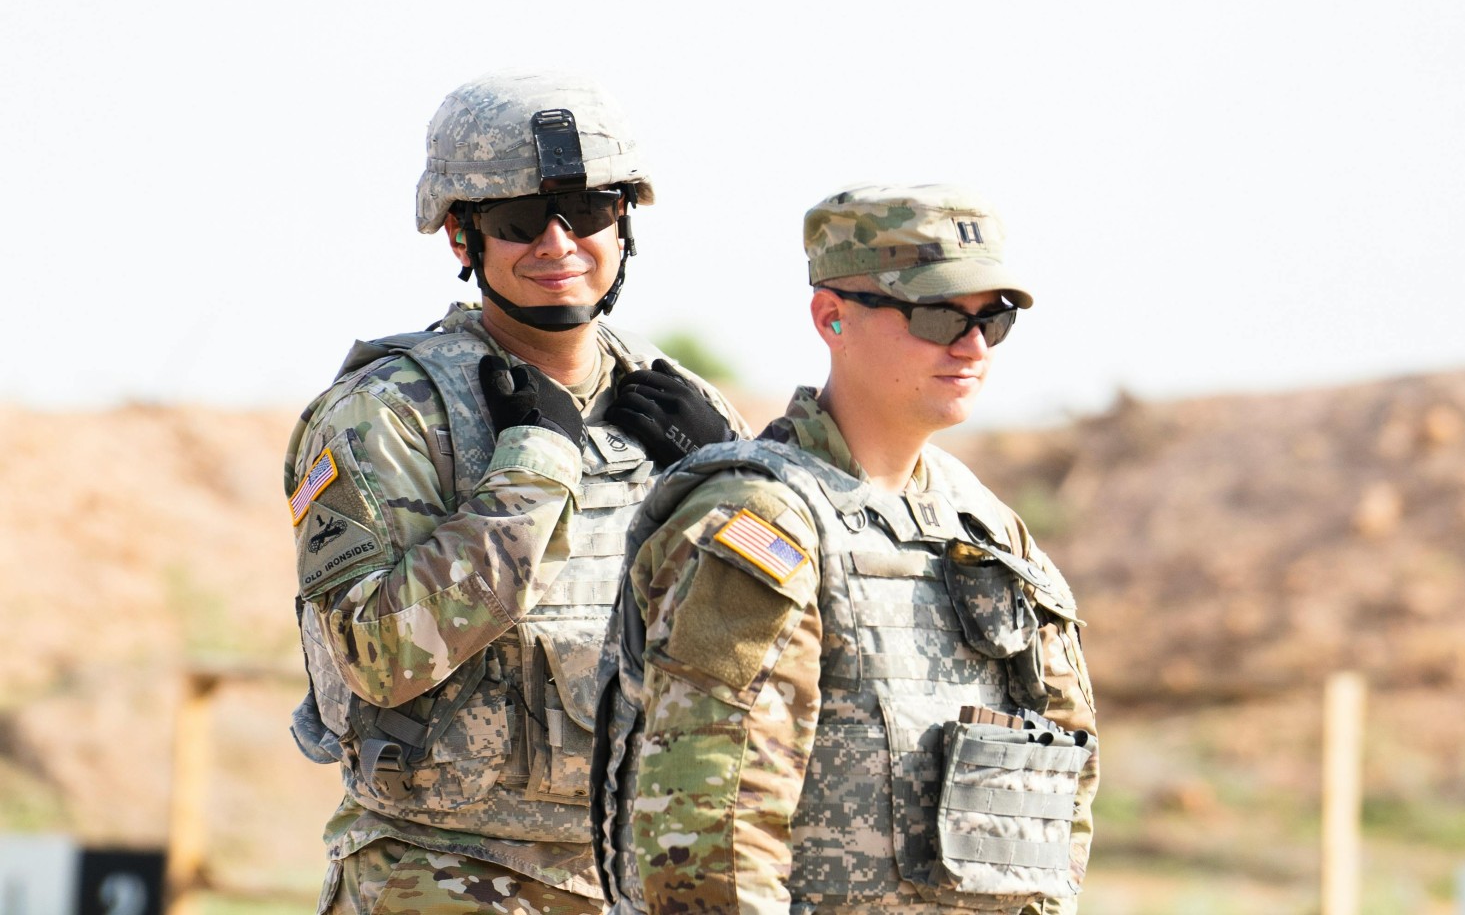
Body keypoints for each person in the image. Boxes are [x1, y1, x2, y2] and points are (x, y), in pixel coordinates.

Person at [285, 68, 748, 915]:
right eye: (518, 221)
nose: (558, 245)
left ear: (626, 223)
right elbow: (381, 658)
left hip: (642, 876)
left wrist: (739, 486)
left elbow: (779, 648)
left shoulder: (682, 405)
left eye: (591, 213)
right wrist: (533, 469)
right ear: (464, 240)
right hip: (444, 878)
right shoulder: (386, 414)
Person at [592, 183, 1099, 914]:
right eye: (936, 314)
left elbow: (1056, 803)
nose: (972, 344)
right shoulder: (761, 518)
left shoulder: (986, 529)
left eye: (994, 318)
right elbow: (713, 827)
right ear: (832, 317)